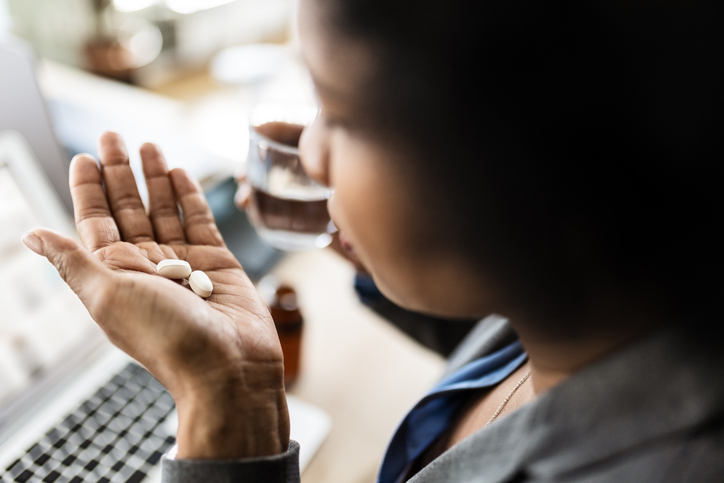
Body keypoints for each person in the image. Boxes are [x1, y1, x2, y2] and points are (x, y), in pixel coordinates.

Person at [20, 0, 723, 481]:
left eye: (339, 112)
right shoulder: (591, 306)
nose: (309, 152)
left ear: (519, 162)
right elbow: (495, 356)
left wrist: (224, 416)